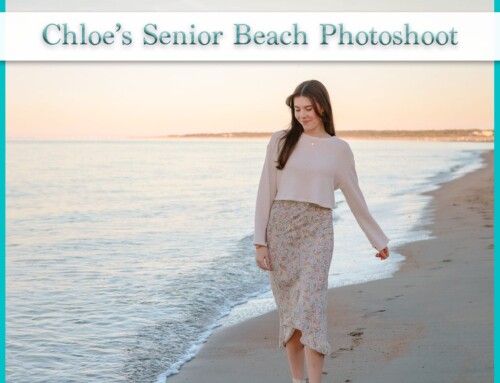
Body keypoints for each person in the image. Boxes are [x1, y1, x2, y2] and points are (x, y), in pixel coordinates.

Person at [253, 80, 390, 383]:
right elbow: (266, 190)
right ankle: (295, 379)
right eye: (297, 109)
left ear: (322, 107)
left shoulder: (339, 149)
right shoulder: (280, 140)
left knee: (312, 308)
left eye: (308, 108)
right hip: (281, 230)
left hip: (317, 230)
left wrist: (377, 239)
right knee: (290, 312)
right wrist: (259, 242)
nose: (302, 115)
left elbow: (355, 196)